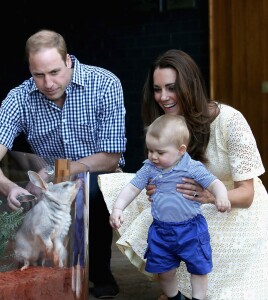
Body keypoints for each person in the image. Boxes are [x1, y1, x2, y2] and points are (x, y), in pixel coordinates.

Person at [99, 49, 268, 299]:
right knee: (128, 193)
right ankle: (174, 289)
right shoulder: (165, 124)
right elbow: (156, 170)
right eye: (157, 89)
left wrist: (210, 196)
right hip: (185, 202)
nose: (163, 97)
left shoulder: (230, 120)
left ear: (190, 85)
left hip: (232, 205)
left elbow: (247, 194)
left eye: (171, 88)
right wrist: (156, 185)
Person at [0, 29, 126, 299]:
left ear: (68, 60)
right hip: (51, 183)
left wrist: (59, 170)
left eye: (55, 72)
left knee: (88, 192)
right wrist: (9, 188)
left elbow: (111, 156)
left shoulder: (104, 83)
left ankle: (99, 273)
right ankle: (49, 277)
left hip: (100, 175)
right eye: (38, 75)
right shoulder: (19, 98)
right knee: (32, 201)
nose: (48, 83)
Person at [110, 114, 230, 300]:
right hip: (161, 231)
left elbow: (214, 183)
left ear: (181, 150)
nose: (153, 156)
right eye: (150, 150)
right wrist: (118, 208)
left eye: (160, 152)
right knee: (164, 272)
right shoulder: (149, 167)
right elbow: (132, 187)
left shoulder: (192, 167)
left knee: (199, 269)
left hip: (191, 229)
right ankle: (175, 297)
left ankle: (198, 298)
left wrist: (221, 196)